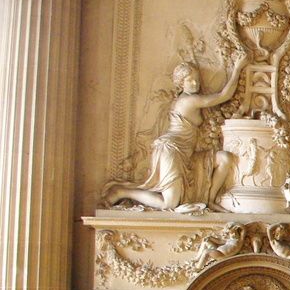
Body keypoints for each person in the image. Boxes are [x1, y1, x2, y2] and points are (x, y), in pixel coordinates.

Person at [104, 52, 247, 211]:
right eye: (189, 80)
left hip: (188, 155)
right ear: (181, 84)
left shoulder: (190, 98)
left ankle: (210, 199)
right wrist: (238, 67)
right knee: (169, 204)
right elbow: (224, 96)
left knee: (225, 158)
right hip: (172, 151)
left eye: (197, 80)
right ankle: (122, 191)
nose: (195, 83)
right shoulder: (188, 101)